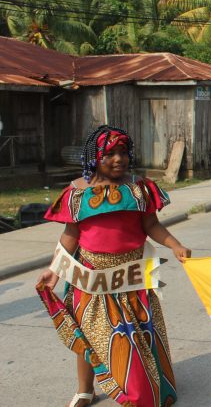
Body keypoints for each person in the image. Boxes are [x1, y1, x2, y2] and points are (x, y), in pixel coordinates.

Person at [37, 125, 189, 407]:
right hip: (91, 277)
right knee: (88, 335)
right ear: (95, 157)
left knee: (142, 330)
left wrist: (175, 245)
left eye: (123, 153)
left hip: (131, 276)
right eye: (110, 154)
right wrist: (54, 271)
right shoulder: (76, 193)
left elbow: (152, 225)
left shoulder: (139, 188)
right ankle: (85, 390)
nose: (119, 159)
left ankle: (150, 379)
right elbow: (71, 236)